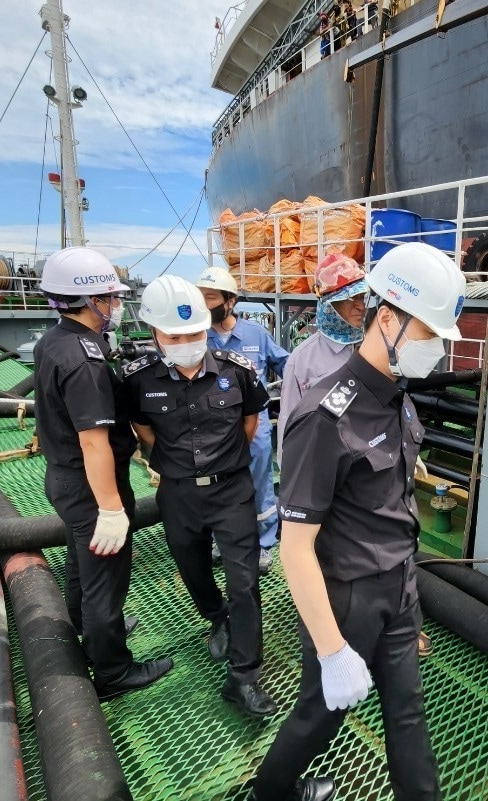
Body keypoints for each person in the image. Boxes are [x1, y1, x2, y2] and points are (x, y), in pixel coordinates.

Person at [249, 242, 466, 801]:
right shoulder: (325, 417)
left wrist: (410, 606)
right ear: (387, 317)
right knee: (319, 718)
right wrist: (331, 650)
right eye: (429, 334)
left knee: (408, 714)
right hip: (343, 597)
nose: (436, 350)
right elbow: (296, 549)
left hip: (398, 588)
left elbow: (396, 509)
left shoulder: (400, 400)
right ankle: (270, 792)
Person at [122, 276, 278, 717]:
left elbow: (250, 425)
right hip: (179, 495)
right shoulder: (137, 381)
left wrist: (221, 463)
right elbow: (146, 434)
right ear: (154, 332)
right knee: (192, 571)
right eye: (176, 336)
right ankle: (217, 616)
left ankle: (244, 678)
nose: (188, 342)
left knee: (245, 584)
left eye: (195, 333)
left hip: (231, 491)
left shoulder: (238, 372)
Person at [278, 253, 435, 659]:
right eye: (345, 301)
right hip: (326, 488)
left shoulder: (384, 355)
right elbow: (293, 434)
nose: (355, 307)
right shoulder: (303, 363)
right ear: (325, 306)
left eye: (359, 299)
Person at [34, 246, 173, 701]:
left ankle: (88, 630)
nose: (115, 305)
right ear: (90, 300)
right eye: (109, 298)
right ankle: (113, 671)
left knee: (82, 565)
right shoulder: (85, 361)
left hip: (66, 480)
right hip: (93, 486)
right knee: (105, 581)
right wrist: (112, 509)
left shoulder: (55, 341)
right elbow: (94, 441)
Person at [196, 266, 289, 575]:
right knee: (217, 487)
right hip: (213, 430)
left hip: (255, 427)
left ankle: (264, 544)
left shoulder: (255, 334)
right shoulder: (196, 336)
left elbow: (285, 362)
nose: (204, 303)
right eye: (200, 296)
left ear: (230, 300)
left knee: (260, 485)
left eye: (210, 297)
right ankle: (222, 541)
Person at [277, 253, 368, 447]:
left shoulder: (370, 349)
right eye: (352, 298)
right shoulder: (302, 359)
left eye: (362, 297)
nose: (360, 306)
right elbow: (289, 422)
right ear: (329, 304)